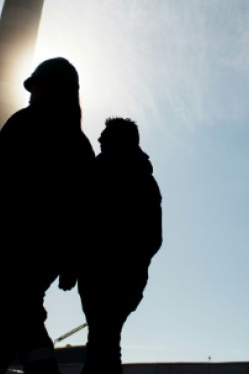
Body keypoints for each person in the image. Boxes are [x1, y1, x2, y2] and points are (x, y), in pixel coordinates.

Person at [0, 57, 95, 374]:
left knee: (14, 309)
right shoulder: (80, 145)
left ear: (51, 87)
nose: (31, 94)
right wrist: (71, 263)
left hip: (19, 243)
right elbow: (84, 214)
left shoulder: (24, 123)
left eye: (36, 86)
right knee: (18, 311)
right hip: (51, 254)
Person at [74, 117, 162, 374]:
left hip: (110, 276)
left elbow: (81, 220)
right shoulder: (142, 180)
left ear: (119, 140)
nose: (99, 139)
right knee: (105, 342)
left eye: (105, 135)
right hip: (115, 276)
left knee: (102, 342)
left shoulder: (105, 176)